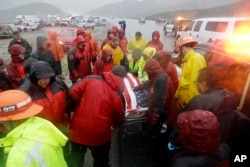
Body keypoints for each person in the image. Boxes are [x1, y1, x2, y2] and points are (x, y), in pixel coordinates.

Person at [68, 65, 125, 167]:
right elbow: (120, 116)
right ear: (123, 78)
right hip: (100, 135)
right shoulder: (118, 94)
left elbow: (71, 94)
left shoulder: (90, 79)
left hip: (79, 129)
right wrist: (116, 124)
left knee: (75, 159)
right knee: (101, 161)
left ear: (110, 71)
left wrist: (74, 108)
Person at [0, 90, 68, 167]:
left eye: (2, 123)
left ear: (15, 121)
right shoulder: (42, 126)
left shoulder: (18, 154)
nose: (1, 128)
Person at [135, 59, 178, 167]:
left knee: (161, 140)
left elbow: (160, 105)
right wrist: (136, 88)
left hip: (164, 118)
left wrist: (153, 122)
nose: (147, 74)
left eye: (148, 72)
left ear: (151, 71)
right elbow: (148, 84)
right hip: (161, 114)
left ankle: (160, 161)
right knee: (156, 138)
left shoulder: (161, 80)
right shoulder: (157, 76)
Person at [19, 61, 73, 134]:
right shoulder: (25, 92)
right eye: (41, 78)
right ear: (34, 78)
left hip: (61, 126)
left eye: (47, 78)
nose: (44, 81)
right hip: (41, 131)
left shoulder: (59, 84)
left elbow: (68, 101)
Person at [174, 35, 206, 110]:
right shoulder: (188, 60)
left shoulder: (196, 59)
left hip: (189, 105)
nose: (179, 53)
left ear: (182, 48)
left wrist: (191, 105)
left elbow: (195, 84)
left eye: (179, 49)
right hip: (184, 103)